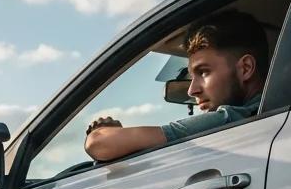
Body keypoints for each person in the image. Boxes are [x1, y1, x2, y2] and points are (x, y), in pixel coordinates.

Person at [84, 9, 269, 163]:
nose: (191, 90)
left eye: (203, 72)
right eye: (191, 77)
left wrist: (103, 132)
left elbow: (99, 144)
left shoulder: (232, 118)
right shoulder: (267, 113)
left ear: (245, 68)